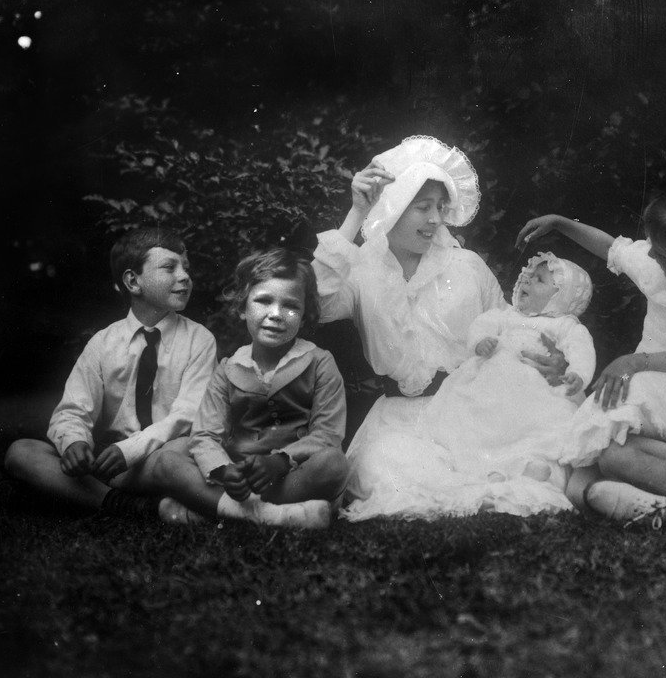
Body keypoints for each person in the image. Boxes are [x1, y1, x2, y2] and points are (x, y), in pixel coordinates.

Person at [312, 135, 568, 521]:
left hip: (474, 409)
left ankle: (490, 479)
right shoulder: (361, 268)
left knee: (528, 461)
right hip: (401, 417)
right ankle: (473, 490)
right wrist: (356, 214)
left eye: (440, 208)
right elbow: (319, 302)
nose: (435, 219)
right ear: (395, 206)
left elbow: (510, 328)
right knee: (382, 469)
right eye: (422, 207)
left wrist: (550, 360)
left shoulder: (466, 266)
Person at [516, 190, 666, 522]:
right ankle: (660, 509)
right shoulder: (654, 267)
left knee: (611, 457)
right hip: (639, 377)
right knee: (578, 488)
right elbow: (609, 247)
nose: (650, 254)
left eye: (660, 251)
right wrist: (560, 224)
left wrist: (634, 362)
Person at [4, 227, 217, 517]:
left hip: (159, 458)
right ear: (132, 281)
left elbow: (188, 414)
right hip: (108, 462)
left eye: (186, 268)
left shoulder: (199, 340)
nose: (184, 276)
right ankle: (125, 504)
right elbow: (72, 410)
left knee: (183, 450)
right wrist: (75, 443)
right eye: (169, 267)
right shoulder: (103, 343)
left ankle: (102, 497)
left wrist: (130, 451)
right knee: (21, 452)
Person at [154, 249, 349, 528]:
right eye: (263, 301)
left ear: (305, 316)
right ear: (243, 309)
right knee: (169, 456)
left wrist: (281, 461)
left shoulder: (319, 362)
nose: (276, 314)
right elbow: (205, 433)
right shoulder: (228, 369)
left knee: (334, 464)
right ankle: (269, 515)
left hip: (290, 476)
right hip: (239, 476)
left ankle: (217, 508)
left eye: (291, 306)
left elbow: (328, 434)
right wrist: (223, 470)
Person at [401, 252, 595, 517]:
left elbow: (582, 350)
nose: (526, 281)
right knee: (481, 421)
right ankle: (487, 469)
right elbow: (482, 324)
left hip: (534, 391)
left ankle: (528, 464)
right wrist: (480, 341)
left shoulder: (565, 326)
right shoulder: (508, 316)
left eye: (538, 280)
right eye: (528, 276)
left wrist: (579, 374)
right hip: (493, 382)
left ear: (560, 296)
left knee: (541, 425)